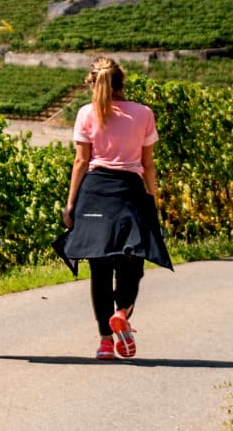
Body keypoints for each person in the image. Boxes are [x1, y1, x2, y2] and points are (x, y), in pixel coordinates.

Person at [56, 56, 171, 359]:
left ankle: (106, 341)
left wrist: (70, 204)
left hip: (95, 193)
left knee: (100, 269)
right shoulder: (144, 114)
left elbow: (81, 162)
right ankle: (122, 311)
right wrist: (153, 200)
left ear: (92, 83)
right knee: (132, 262)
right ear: (123, 81)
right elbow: (147, 165)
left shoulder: (86, 114)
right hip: (129, 192)